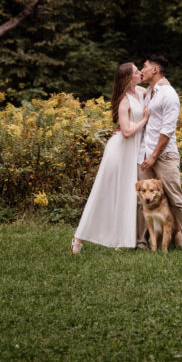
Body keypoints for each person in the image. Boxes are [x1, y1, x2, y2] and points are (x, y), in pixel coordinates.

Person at [70, 62, 149, 253]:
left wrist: (156, 73)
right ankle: (78, 239)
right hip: (119, 150)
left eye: (140, 70)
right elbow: (127, 131)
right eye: (136, 72)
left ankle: (120, 239)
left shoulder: (138, 91)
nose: (140, 74)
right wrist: (144, 119)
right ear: (128, 78)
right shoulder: (123, 100)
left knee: (125, 194)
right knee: (102, 192)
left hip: (130, 152)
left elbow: (155, 87)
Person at [137, 54, 182, 252]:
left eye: (144, 67)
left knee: (175, 197)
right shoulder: (150, 92)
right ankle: (140, 242)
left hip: (164, 155)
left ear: (155, 70)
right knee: (141, 199)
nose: (141, 70)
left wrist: (154, 156)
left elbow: (168, 130)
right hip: (145, 154)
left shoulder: (169, 94)